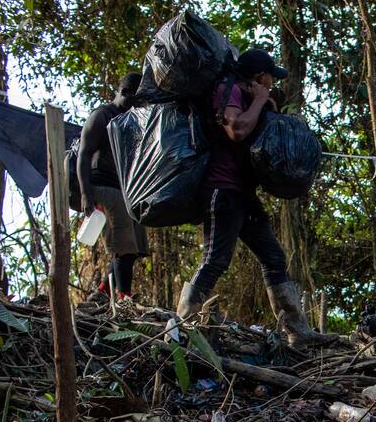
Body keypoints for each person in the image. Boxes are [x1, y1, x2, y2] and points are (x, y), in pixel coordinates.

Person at [175, 48, 324, 347]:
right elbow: (237, 130)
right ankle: (182, 325)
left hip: (244, 194)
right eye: (269, 78)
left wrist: (267, 108)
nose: (271, 83)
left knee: (273, 257)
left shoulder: (254, 99)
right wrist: (257, 100)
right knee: (215, 259)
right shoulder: (226, 92)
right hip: (223, 190)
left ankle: (298, 332)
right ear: (259, 77)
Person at [76, 72, 146, 300]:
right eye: (135, 99)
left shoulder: (132, 120)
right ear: (124, 93)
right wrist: (86, 194)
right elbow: (83, 155)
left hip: (127, 192)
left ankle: (103, 291)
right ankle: (123, 297)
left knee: (135, 248)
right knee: (123, 246)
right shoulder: (102, 115)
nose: (138, 105)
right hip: (104, 188)